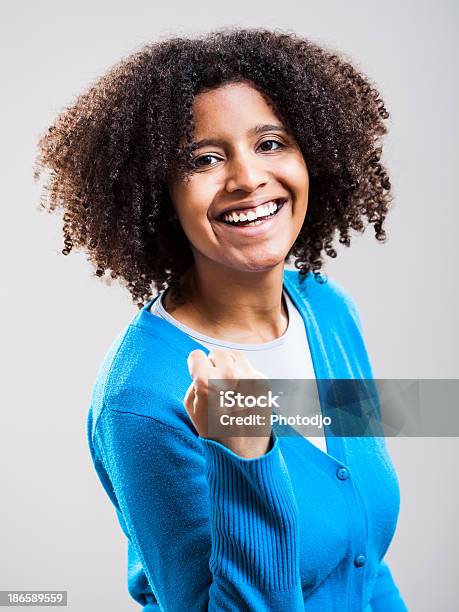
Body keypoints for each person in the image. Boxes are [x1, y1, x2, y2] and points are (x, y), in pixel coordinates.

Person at [35, 28, 408, 611]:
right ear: (158, 192)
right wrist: (246, 456)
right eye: (205, 159)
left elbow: (364, 566)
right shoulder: (143, 400)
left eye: (270, 143)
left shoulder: (329, 313)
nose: (247, 179)